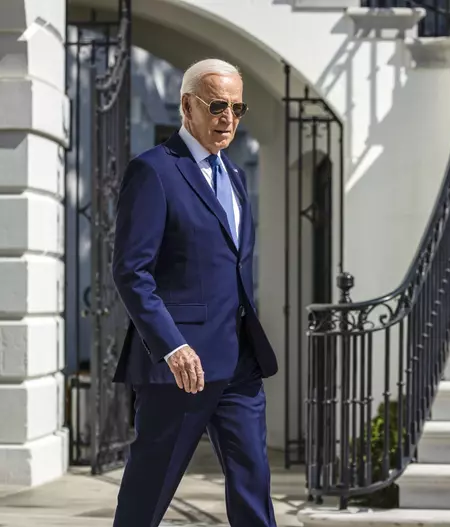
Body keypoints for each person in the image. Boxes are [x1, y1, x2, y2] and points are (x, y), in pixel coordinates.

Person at [111, 58, 279, 527]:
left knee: (254, 486)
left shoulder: (238, 179)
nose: (229, 117)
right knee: (149, 492)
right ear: (188, 106)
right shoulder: (154, 172)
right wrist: (172, 347)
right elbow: (131, 271)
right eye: (218, 105)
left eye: (237, 107)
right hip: (182, 367)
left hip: (240, 363)